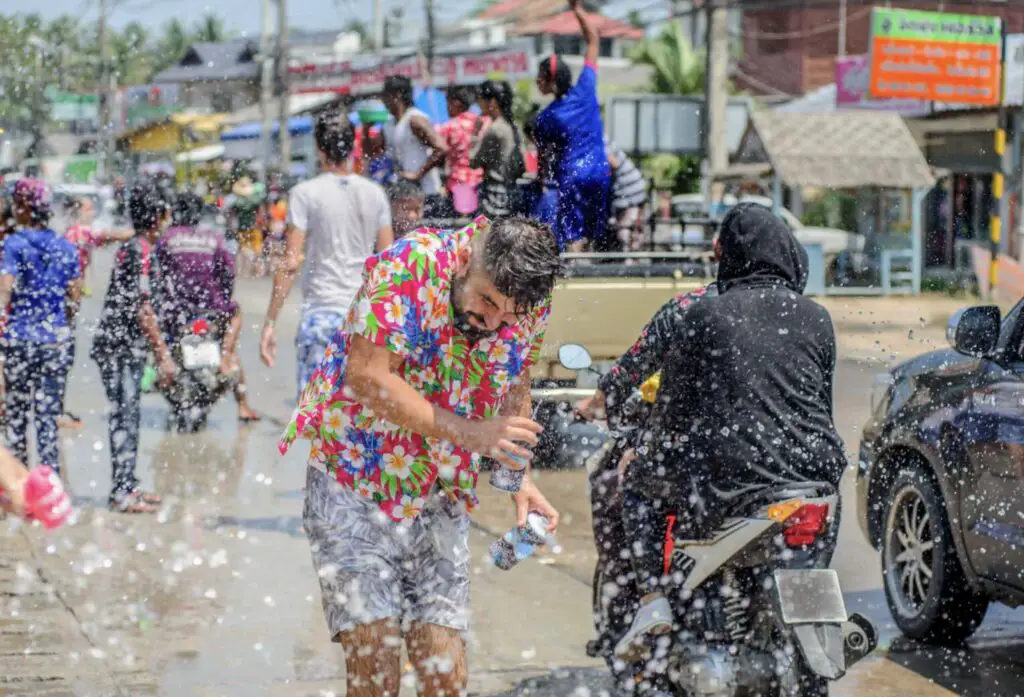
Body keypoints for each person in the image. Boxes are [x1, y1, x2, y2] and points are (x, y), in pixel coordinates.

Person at [279, 215, 561, 697]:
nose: (491, 322)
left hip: (440, 492)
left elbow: (516, 376)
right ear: (470, 255)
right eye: (486, 300)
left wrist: (520, 479)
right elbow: (367, 376)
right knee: (376, 671)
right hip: (355, 479)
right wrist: (472, 434)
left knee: (445, 674)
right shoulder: (413, 265)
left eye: (508, 315)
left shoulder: (527, 299)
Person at [583, 203, 846, 660]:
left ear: (726, 254)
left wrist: (644, 452)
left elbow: (670, 412)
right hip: (816, 482)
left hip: (733, 480)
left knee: (636, 485)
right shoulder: (817, 317)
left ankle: (653, 602)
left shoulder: (699, 311)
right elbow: (817, 406)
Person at [260, 113, 395, 399]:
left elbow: (291, 263)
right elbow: (388, 263)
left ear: (319, 149)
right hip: (364, 321)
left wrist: (270, 322)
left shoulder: (305, 193)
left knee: (319, 427)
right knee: (362, 428)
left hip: (321, 318)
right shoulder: (375, 194)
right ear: (352, 147)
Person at [90, 180, 175, 514]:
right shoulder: (139, 252)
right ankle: (121, 492)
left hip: (121, 346)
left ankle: (128, 484)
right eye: (165, 214)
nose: (168, 220)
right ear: (156, 217)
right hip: (118, 347)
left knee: (129, 414)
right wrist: (164, 355)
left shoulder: (137, 248)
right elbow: (143, 309)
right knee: (124, 416)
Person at [0, 180, 81, 473]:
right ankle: (50, 485)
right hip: (53, 342)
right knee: (47, 417)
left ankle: (20, 487)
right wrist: (62, 326)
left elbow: (4, 290)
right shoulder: (65, 245)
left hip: (20, 339)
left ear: (23, 207)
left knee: (17, 417)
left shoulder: (14, 244)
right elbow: (75, 295)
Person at [156, 192, 258, 423]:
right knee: (234, 319)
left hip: (178, 315)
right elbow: (228, 274)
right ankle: (241, 403)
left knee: (159, 351)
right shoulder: (214, 238)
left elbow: (158, 278)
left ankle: (164, 378)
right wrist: (222, 298)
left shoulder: (166, 238)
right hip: (210, 315)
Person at [533, 0, 612, 252]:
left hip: (573, 176)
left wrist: (541, 179)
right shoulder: (586, 89)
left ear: (548, 81)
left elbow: (543, 157)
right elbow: (593, 40)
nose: (536, 82)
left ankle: (577, 281)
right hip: (600, 172)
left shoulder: (547, 117)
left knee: (573, 236)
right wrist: (577, 10)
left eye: (540, 77)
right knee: (595, 234)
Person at [60, 196, 135, 429]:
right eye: (88, 208)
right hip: (65, 304)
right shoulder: (78, 232)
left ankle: (55, 407)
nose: (92, 212)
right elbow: (110, 236)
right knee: (64, 357)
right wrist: (140, 231)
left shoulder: (70, 233)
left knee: (63, 358)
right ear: (77, 211)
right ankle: (56, 410)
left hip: (67, 302)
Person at [364, 76, 449, 218]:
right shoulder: (389, 124)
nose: (383, 102)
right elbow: (370, 152)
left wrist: (418, 174)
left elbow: (442, 148)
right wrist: (366, 128)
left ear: (395, 96)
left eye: (385, 97)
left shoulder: (414, 120)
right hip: (404, 195)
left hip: (427, 193)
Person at [471, 80, 526, 220]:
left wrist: (476, 133)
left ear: (493, 102)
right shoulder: (513, 127)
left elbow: (473, 161)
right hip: (511, 192)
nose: (478, 104)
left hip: (494, 195)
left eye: (480, 99)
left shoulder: (495, 129)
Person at [438, 85, 484, 216]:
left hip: (459, 184)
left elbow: (439, 152)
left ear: (456, 103)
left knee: (461, 227)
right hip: (481, 183)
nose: (447, 108)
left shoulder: (450, 126)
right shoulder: (482, 122)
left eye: (448, 103)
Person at [605, 137, 649, 252]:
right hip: (633, 189)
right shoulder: (599, 135)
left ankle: (630, 261)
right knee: (632, 231)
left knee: (626, 231)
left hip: (629, 193)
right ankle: (632, 258)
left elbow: (614, 163)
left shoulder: (599, 139)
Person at [229, 175, 266, 278]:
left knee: (244, 249)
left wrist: (232, 226)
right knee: (257, 249)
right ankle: (257, 270)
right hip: (254, 227)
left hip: (242, 228)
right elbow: (261, 212)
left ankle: (244, 271)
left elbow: (232, 216)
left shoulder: (236, 202)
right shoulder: (255, 200)